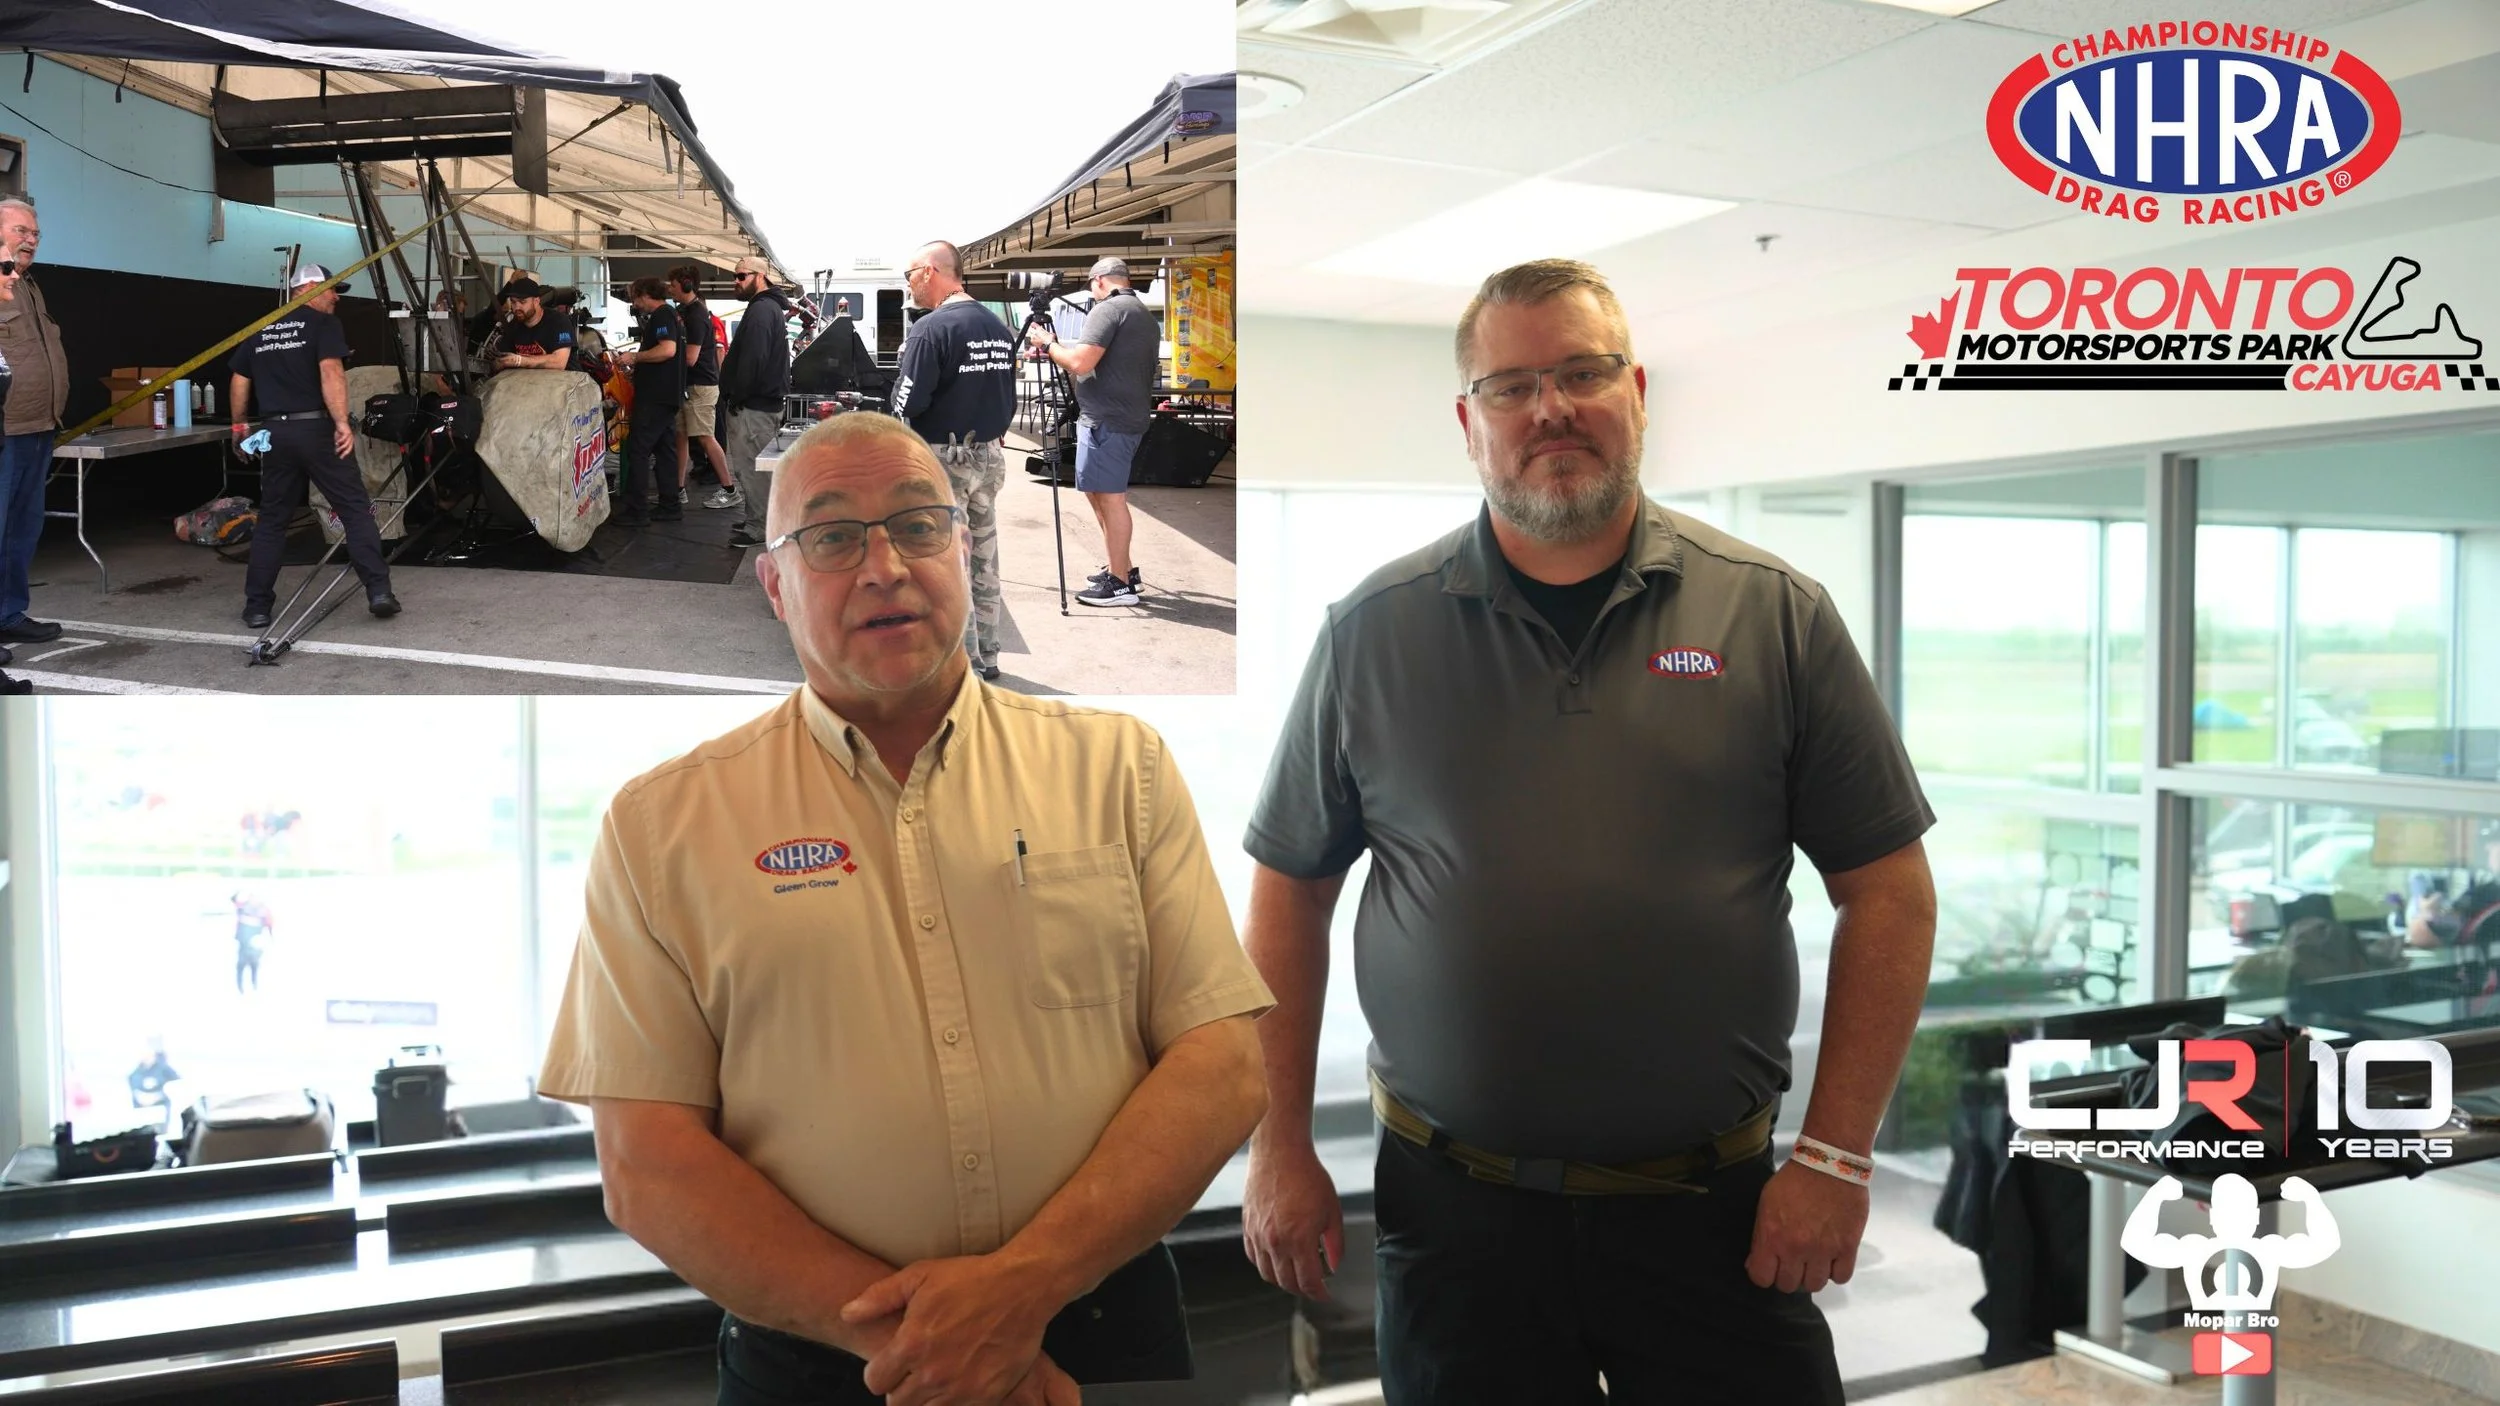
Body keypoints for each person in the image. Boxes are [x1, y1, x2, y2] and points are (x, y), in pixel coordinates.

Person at [1237, 259, 1938, 1406]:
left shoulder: (1770, 613)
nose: (1549, 408)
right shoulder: (1373, 632)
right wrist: (1277, 1144)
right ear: (1469, 425)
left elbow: (1891, 890)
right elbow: (1287, 893)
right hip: (1455, 1215)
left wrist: (1835, 1151)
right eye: (1509, 387)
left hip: (1713, 1213)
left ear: (1638, 392)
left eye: (1580, 372)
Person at [537, 410, 1273, 1406]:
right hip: (823, 1359)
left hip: (1101, 1330)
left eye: (918, 524)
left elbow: (1220, 1065)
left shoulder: (1115, 768)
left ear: (961, 548)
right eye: (832, 535)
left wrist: (1023, 1290)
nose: (883, 564)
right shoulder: (663, 823)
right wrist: (945, 1346)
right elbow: (647, 1161)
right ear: (774, 583)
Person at [230, 264, 399, 627]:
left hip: (275, 434)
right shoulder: (323, 325)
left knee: (273, 520)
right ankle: (379, 591)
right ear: (308, 287)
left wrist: (239, 426)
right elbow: (331, 373)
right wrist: (341, 422)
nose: (337, 298)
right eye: (332, 290)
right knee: (354, 509)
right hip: (316, 430)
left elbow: (240, 377)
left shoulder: (262, 327)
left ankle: (257, 607)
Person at [895, 241, 1018, 680]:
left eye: (908, 274)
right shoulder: (997, 326)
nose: (907, 284)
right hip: (988, 455)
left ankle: (956, 665)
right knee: (984, 557)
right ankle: (988, 654)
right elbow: (1009, 399)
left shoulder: (932, 328)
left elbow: (907, 400)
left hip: (945, 457)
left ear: (930, 272)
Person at [1028, 256, 1158, 608]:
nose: (1090, 291)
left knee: (1110, 498)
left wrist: (1046, 342)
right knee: (1099, 493)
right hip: (1118, 417)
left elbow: (1080, 362)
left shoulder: (1108, 310)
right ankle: (1123, 569)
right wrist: (1056, 349)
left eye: (1090, 284)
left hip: (1108, 420)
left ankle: (1120, 584)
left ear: (1099, 280)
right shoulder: (1138, 312)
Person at [0, 197, 66, 648]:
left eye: (35, 234)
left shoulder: (27, 285)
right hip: (4, 432)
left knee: (22, 531)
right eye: (20, 230)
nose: (30, 240)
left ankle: (8, 614)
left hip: (39, 428)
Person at [717, 256, 790, 548]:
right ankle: (758, 518)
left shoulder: (762, 310)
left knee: (752, 468)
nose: (736, 281)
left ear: (760, 276)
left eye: (742, 276)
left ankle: (760, 525)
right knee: (755, 467)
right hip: (758, 403)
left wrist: (738, 396)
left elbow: (754, 360)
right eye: (735, 276)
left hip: (754, 406)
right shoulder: (766, 308)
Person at [618, 276, 687, 525]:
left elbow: (668, 350)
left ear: (645, 295)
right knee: (665, 450)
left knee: (638, 450)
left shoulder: (662, 316)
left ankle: (637, 510)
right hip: (667, 394)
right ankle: (670, 505)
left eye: (636, 298)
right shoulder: (671, 315)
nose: (636, 304)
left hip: (656, 396)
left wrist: (634, 358)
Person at [666, 265, 735, 509]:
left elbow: (690, 358)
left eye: (673, 285)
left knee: (706, 437)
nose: (670, 289)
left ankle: (730, 489)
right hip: (691, 385)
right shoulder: (686, 312)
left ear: (685, 284)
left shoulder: (696, 315)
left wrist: (664, 357)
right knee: (681, 436)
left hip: (701, 386)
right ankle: (677, 489)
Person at [490, 277, 573, 373]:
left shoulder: (559, 322)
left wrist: (519, 361)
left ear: (536, 301)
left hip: (566, 383)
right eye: (513, 302)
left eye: (522, 302)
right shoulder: (513, 326)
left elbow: (559, 362)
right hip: (531, 383)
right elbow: (503, 359)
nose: (517, 308)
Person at [230, 892, 274, 995]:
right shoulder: (243, 908)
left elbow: (270, 923)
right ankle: (241, 988)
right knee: (241, 965)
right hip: (244, 942)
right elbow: (233, 899)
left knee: (254, 964)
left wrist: (271, 937)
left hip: (254, 943)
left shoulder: (262, 910)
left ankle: (254, 987)